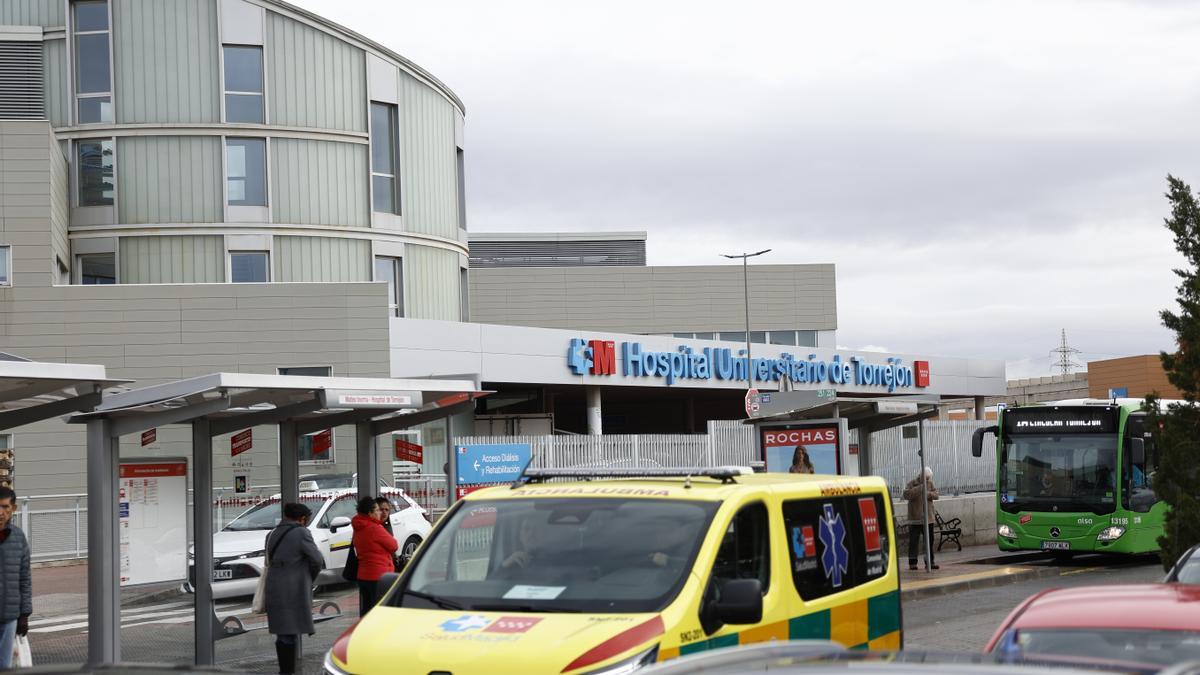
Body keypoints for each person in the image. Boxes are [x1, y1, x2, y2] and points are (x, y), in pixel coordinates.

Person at [264, 502, 323, 675]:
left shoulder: (271, 534)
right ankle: (288, 671)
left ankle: (285, 670)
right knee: (290, 631)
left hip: (274, 585)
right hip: (293, 589)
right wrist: (308, 577)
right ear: (302, 518)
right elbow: (317, 560)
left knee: (282, 631)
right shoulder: (302, 533)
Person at [351, 496, 398, 617]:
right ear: (370, 513)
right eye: (377, 510)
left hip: (363, 575)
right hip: (379, 575)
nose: (380, 513)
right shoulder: (375, 528)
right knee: (380, 612)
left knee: (367, 609)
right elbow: (394, 545)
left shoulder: (358, 527)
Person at [0, 487, 30, 670]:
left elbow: (25, 578)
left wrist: (24, 615)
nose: (0, 513)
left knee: (4, 666)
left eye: (5, 507)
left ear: (14, 508)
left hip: (9, 616)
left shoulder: (18, 537)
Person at [902, 467, 939, 571]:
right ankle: (912, 563)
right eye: (926, 478)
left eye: (929, 478)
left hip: (928, 518)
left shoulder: (930, 484)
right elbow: (906, 495)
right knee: (914, 541)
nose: (928, 480)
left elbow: (936, 495)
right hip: (915, 518)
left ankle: (930, 562)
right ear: (921, 476)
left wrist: (928, 494)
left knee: (929, 541)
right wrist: (920, 488)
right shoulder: (912, 483)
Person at [374, 496, 403, 572]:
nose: (384, 512)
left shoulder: (387, 525)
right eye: (381, 509)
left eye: (387, 510)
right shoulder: (374, 527)